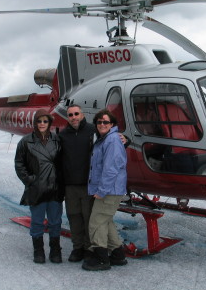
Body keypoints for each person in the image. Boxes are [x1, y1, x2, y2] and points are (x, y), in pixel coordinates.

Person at [14, 109, 63, 264]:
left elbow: (63, 162)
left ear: (49, 123)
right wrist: (30, 180)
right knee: (37, 221)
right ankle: (38, 251)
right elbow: (19, 164)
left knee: (55, 221)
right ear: (35, 123)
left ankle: (55, 250)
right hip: (37, 189)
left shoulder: (57, 140)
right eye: (39, 121)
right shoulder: (25, 141)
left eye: (45, 121)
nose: (42, 124)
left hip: (54, 188)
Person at [82, 109, 128, 271]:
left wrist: (101, 190)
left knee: (96, 222)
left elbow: (111, 169)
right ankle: (117, 255)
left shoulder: (112, 140)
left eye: (105, 122)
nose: (102, 124)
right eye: (99, 122)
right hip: (110, 189)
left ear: (112, 124)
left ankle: (101, 258)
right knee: (105, 221)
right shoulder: (105, 139)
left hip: (109, 190)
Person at [58, 104, 96, 262]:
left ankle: (88, 248)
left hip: (88, 184)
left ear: (82, 114)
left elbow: (111, 140)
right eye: (70, 115)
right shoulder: (63, 135)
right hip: (70, 185)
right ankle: (77, 247)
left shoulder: (93, 130)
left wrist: (125, 140)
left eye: (76, 114)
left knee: (88, 217)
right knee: (73, 216)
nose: (73, 117)